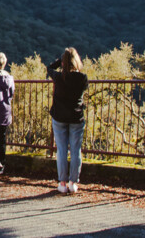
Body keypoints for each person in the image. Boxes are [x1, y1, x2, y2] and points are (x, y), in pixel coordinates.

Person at [48, 47, 88, 195]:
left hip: (59, 117)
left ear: (64, 63)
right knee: (76, 150)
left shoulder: (58, 77)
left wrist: (60, 61)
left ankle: (62, 183)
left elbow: (49, 68)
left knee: (62, 150)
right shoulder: (82, 78)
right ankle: (73, 183)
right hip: (76, 117)